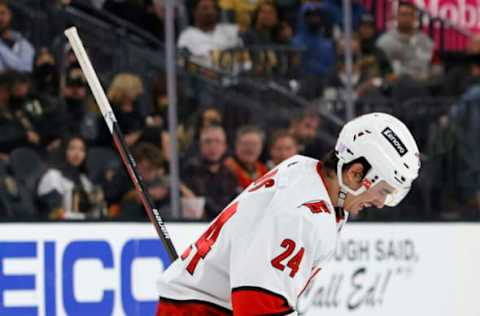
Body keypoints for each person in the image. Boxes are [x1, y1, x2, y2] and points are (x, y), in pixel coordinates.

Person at [156, 112, 421, 314]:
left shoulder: (304, 168)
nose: (381, 202)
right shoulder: (301, 216)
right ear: (354, 173)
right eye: (383, 190)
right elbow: (257, 305)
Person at [36, 135, 106, 220]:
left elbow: (96, 215)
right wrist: (85, 217)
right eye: (72, 148)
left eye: (82, 150)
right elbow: (54, 214)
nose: (77, 153)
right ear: (64, 151)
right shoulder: (53, 176)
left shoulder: (84, 181)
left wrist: (97, 204)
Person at [182, 125, 237, 220]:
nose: (213, 146)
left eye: (217, 141)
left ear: (224, 146)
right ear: (200, 145)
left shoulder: (230, 173)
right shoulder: (189, 171)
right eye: (208, 141)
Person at [376, 1, 434, 80]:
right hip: (395, 86)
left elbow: (434, 67)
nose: (406, 18)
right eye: (403, 14)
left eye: (410, 15)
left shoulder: (426, 41)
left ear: (415, 18)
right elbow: (380, 71)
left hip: (425, 85)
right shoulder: (384, 42)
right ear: (396, 17)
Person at [177, 0, 242, 68]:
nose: (210, 12)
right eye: (205, 8)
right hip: (202, 77)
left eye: (213, 8)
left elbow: (247, 51)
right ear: (194, 12)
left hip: (235, 75)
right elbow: (182, 62)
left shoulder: (232, 29)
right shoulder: (187, 35)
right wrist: (200, 70)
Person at [224, 125, 268, 191]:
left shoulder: (264, 170)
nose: (250, 148)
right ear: (236, 145)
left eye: (254, 144)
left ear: (261, 147)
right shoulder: (226, 169)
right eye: (246, 143)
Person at [0, 0, 34, 73]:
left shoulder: (23, 43)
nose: (0, 18)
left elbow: (25, 69)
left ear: (10, 15)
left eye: (2, 13)